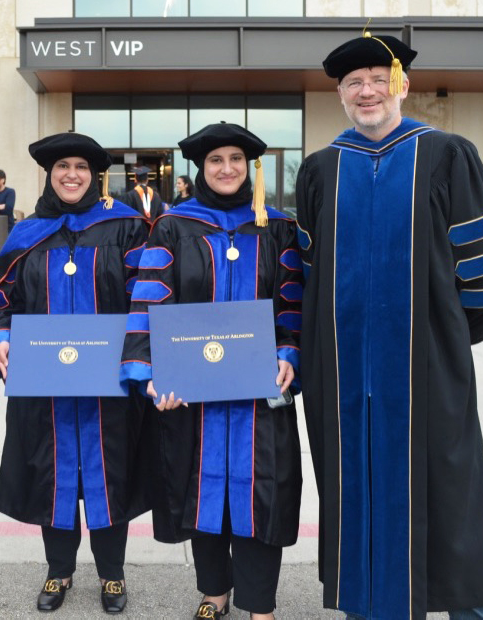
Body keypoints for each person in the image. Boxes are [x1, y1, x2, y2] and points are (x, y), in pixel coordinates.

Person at [296, 31, 483, 620]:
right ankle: (370, 605)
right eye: (353, 83)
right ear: (339, 95)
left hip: (427, 365)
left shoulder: (447, 154)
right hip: (342, 373)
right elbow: (309, 273)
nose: (367, 92)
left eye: (377, 79)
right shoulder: (320, 170)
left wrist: (443, 339)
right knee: (352, 488)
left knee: (449, 486)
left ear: (402, 85)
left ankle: (475, 610)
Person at [121, 123, 303, 620]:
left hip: (259, 395)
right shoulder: (173, 226)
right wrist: (151, 371)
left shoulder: (276, 226)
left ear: (250, 168)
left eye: (236, 160)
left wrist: (289, 354)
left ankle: (259, 604)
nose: (226, 168)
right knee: (201, 490)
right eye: (216, 160)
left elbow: (291, 302)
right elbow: (150, 297)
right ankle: (215, 593)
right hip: (193, 394)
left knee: (261, 494)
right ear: (201, 168)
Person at [0, 132, 151, 614]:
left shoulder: (127, 228)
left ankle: (112, 576)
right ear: (50, 175)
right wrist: (1, 339)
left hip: (110, 388)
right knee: (52, 477)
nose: (71, 174)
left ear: (95, 176)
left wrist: (139, 356)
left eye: (80, 167)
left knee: (109, 475)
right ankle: (59, 572)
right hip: (45, 388)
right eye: (62, 168)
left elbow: (149, 296)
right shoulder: (28, 234)